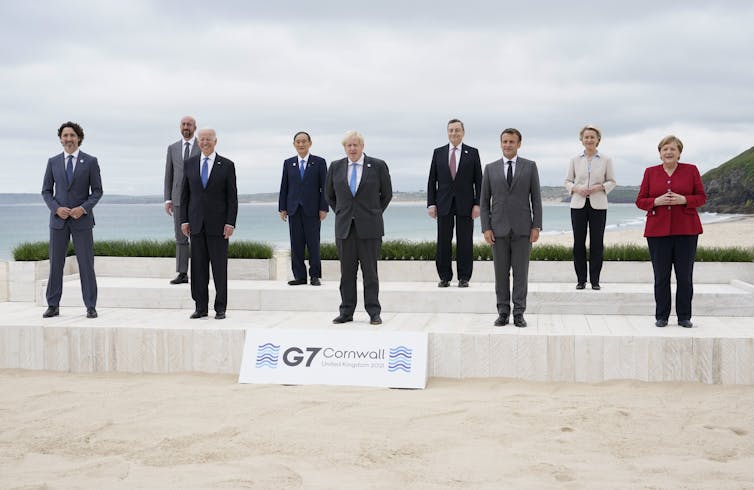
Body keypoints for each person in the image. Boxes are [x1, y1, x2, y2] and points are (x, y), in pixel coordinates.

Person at [636, 135, 706, 328]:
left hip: (687, 230)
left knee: (684, 276)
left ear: (679, 153)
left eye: (672, 149)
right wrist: (655, 202)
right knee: (661, 276)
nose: (668, 152)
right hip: (657, 232)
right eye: (665, 149)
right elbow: (640, 201)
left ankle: (684, 317)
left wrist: (684, 199)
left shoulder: (691, 170)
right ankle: (662, 316)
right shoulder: (650, 172)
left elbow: (701, 197)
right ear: (660, 154)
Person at [325, 131, 392, 325]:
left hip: (370, 227)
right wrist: (342, 211)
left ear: (362, 146)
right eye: (349, 145)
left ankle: (374, 312)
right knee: (347, 273)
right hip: (345, 227)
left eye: (356, 145)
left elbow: (386, 194)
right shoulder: (336, 167)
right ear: (344, 148)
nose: (352, 149)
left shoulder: (378, 165)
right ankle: (346, 312)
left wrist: (373, 212)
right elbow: (329, 195)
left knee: (370, 272)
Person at [480, 128, 542, 328]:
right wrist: (485, 228)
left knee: (521, 274)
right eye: (505, 141)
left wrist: (536, 226)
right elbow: (483, 202)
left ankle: (519, 313)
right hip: (497, 229)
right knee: (500, 274)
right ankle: (503, 312)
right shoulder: (490, 168)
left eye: (512, 142)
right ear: (500, 143)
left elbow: (536, 199)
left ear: (518, 144)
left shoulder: (530, 167)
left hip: (523, 229)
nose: (508, 145)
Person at [41, 121, 103, 319]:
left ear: (79, 138)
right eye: (65, 135)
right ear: (60, 139)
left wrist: (83, 209)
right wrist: (56, 208)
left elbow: (97, 191)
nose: (69, 139)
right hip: (58, 222)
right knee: (56, 264)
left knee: (86, 264)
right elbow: (46, 191)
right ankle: (53, 305)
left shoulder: (91, 161)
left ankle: (91, 306)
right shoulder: (53, 162)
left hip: (82, 222)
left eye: (72, 135)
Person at [180, 128, 238, 320]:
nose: (205, 142)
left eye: (209, 139)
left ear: (215, 141)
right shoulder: (189, 164)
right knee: (198, 269)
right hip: (195, 224)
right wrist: (184, 220)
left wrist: (230, 222)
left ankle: (220, 307)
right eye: (202, 139)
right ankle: (200, 307)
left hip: (219, 226)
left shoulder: (227, 165)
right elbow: (185, 195)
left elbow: (232, 198)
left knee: (219, 268)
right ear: (198, 142)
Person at [427, 118, 482, 288]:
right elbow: (432, 180)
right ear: (447, 132)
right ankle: (444, 277)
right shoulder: (438, 152)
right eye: (451, 130)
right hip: (443, 203)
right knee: (443, 241)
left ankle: (464, 277)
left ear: (463, 132)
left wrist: (477, 204)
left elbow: (479, 181)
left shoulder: (472, 153)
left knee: (465, 241)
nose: (454, 133)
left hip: (466, 204)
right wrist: (431, 204)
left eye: (457, 130)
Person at [564, 125, 617, 290]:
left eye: (592, 137)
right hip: (578, 204)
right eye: (586, 137)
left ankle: (595, 280)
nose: (589, 140)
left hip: (598, 205)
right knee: (578, 243)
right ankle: (581, 280)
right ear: (581, 140)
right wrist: (575, 189)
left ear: (598, 140)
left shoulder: (606, 160)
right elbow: (567, 181)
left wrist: (600, 187)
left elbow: (612, 181)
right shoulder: (574, 160)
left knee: (597, 242)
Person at [278, 131, 329, 286]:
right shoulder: (288, 163)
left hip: (312, 210)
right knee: (296, 244)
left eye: (304, 141)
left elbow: (324, 187)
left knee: (313, 243)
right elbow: (284, 187)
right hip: (293, 209)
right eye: (298, 142)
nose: (301, 144)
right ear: (294, 144)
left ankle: (314, 275)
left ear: (310, 143)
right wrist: (282, 208)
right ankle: (300, 276)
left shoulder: (319, 162)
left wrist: (323, 208)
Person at [164, 116, 200, 285]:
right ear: (180, 127)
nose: (186, 127)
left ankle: (199, 272)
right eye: (184, 124)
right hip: (178, 199)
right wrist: (167, 199)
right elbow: (169, 175)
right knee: (180, 237)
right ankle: (182, 273)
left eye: (189, 125)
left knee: (198, 237)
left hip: (197, 199)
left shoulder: (203, 145)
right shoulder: (173, 148)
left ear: (195, 127)